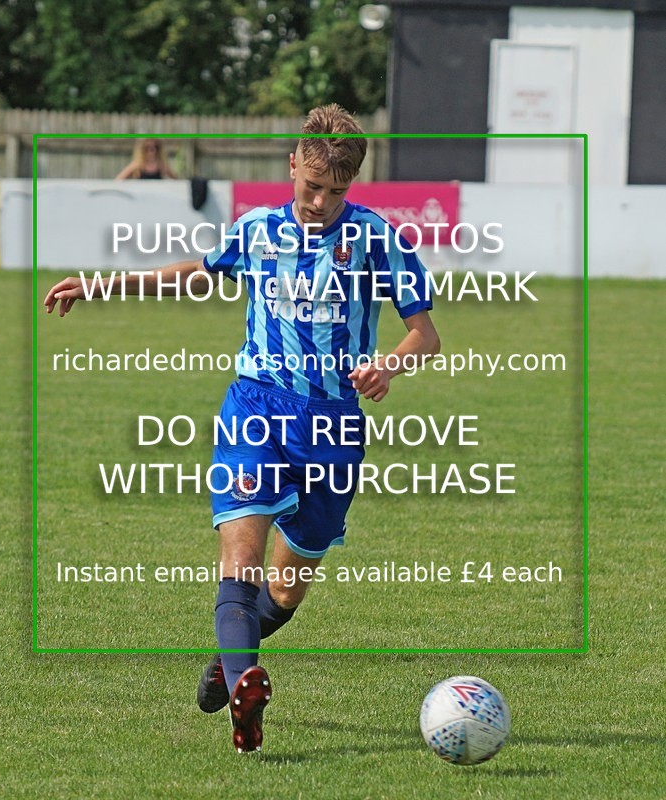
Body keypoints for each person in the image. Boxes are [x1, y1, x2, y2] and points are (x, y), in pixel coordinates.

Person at [44, 104, 440, 754]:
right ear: (291, 165)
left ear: (352, 185)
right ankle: (244, 682)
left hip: (333, 426)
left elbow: (425, 334)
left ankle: (233, 667)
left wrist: (388, 366)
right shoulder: (257, 230)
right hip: (254, 408)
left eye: (334, 191)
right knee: (241, 560)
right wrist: (101, 284)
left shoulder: (377, 240)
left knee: (284, 590)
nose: (317, 201)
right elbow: (193, 277)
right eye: (310, 185)